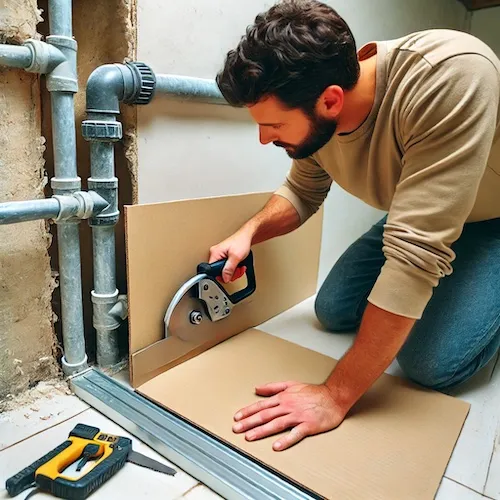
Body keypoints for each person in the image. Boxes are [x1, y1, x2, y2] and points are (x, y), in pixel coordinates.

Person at [209, 0, 500, 452]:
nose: (264, 139)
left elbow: (414, 258)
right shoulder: (318, 112)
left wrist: (335, 394)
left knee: (428, 364)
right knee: (334, 310)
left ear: (330, 100)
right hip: (419, 217)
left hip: (491, 219)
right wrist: (248, 233)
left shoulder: (451, 74)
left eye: (273, 125)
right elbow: (301, 193)